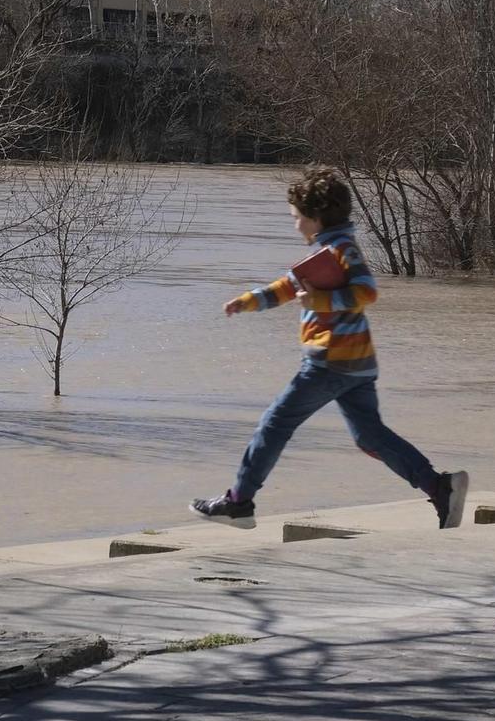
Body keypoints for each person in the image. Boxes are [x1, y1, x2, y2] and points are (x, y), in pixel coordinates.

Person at [191, 168, 470, 530]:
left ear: (316, 217)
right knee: (370, 437)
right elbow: (285, 288)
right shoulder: (325, 254)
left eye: (297, 218)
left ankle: (239, 502)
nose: (295, 226)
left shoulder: (342, 250)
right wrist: (246, 301)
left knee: (274, 424)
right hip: (357, 365)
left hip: (331, 364)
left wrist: (320, 301)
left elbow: (367, 291)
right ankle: (439, 487)